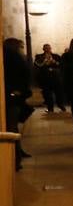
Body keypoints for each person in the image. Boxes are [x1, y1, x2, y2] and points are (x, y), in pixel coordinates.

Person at [4, 38, 33, 169]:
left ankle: (16, 158)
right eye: (21, 46)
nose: (22, 49)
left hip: (12, 98)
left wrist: (17, 92)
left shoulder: (12, 56)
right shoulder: (14, 57)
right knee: (12, 127)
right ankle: (17, 155)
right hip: (14, 97)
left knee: (12, 128)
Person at [35, 44, 65, 113]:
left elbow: (61, 65)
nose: (47, 49)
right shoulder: (39, 56)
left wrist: (54, 61)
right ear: (43, 49)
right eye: (46, 48)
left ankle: (61, 106)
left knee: (59, 93)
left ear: (51, 48)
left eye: (48, 48)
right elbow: (37, 65)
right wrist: (44, 61)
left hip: (55, 78)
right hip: (45, 78)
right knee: (47, 94)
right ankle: (50, 108)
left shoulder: (56, 56)